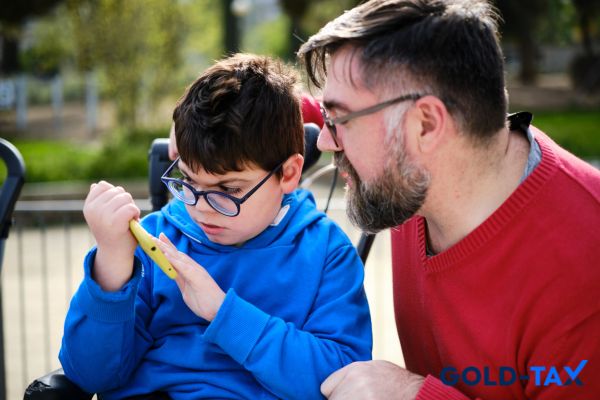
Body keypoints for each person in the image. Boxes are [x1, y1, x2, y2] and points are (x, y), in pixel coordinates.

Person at [297, 0, 600, 399]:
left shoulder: (583, 270)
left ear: (426, 124)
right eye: (326, 115)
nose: (324, 138)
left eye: (339, 120)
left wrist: (412, 395)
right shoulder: (413, 174)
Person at [59, 53, 372, 400]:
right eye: (189, 182)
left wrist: (224, 313)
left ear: (288, 174)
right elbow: (89, 375)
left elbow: (344, 380)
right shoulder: (153, 241)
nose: (202, 209)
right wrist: (111, 267)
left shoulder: (327, 253)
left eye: (228, 190)